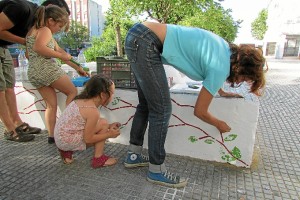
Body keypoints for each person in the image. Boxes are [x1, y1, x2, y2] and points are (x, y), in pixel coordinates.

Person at [123, 22, 266, 188]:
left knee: (146, 104)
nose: (239, 82)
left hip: (139, 35)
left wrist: (221, 92)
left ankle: (133, 156)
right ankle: (156, 170)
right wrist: (218, 123)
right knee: (162, 109)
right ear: (240, 68)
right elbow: (200, 111)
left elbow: (211, 66)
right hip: (147, 40)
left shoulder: (225, 50)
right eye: (243, 78)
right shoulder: (221, 67)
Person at [0, 0, 70, 142]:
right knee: (0, 88)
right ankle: (10, 130)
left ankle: (17, 123)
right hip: (6, 46)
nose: (59, 28)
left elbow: (45, 50)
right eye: (60, 23)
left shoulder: (36, 26)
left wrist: (77, 67)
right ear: (51, 12)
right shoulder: (21, 9)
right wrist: (27, 42)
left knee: (9, 86)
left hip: (3, 47)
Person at [26, 5, 89, 144]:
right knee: (72, 92)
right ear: (50, 21)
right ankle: (68, 127)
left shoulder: (33, 31)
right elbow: (39, 48)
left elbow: (59, 53)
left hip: (34, 72)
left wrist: (78, 67)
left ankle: (52, 136)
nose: (59, 30)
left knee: (50, 105)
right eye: (59, 26)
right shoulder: (45, 30)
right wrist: (59, 55)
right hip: (47, 69)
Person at [54, 75, 121, 167]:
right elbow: (88, 139)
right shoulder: (92, 111)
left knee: (103, 124)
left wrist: (108, 126)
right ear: (102, 94)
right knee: (103, 123)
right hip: (67, 141)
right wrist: (110, 134)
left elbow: (80, 125)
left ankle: (66, 152)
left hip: (60, 139)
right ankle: (98, 159)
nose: (113, 96)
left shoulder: (79, 100)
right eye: (112, 93)